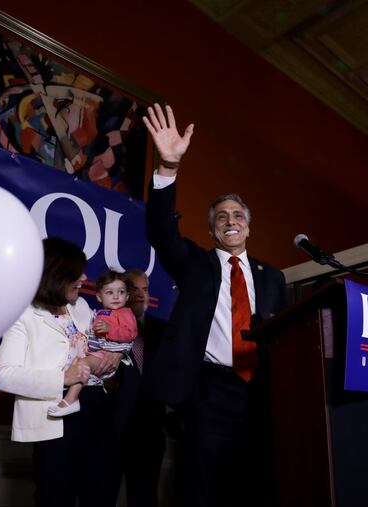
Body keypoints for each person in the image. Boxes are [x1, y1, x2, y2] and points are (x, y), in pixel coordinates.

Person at [142, 104, 289, 507]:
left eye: (237, 215)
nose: (230, 220)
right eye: (221, 216)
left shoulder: (274, 278)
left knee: (254, 486)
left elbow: (287, 337)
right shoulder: (195, 263)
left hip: (260, 393)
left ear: (248, 226)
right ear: (211, 229)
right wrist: (168, 167)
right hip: (208, 391)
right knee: (201, 490)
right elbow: (159, 229)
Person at [0, 237, 123, 507]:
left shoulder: (82, 307)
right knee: (56, 496)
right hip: (56, 418)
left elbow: (95, 353)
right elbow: (3, 375)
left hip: (98, 410)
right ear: (56, 275)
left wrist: (110, 360)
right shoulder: (23, 315)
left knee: (101, 494)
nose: (84, 278)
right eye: (77, 273)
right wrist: (64, 377)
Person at [112, 269, 168, 507]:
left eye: (144, 289)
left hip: (150, 433)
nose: (140, 295)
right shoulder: (103, 324)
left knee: (144, 497)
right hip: (111, 433)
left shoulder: (163, 330)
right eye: (133, 289)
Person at [48, 270, 137, 417]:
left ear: (127, 296)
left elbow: (130, 333)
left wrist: (110, 330)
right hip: (95, 355)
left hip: (103, 355)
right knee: (80, 369)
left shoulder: (125, 313)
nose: (116, 296)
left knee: (82, 365)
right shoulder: (99, 312)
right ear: (99, 297)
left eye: (121, 292)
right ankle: (71, 399)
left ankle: (71, 400)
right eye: (110, 292)